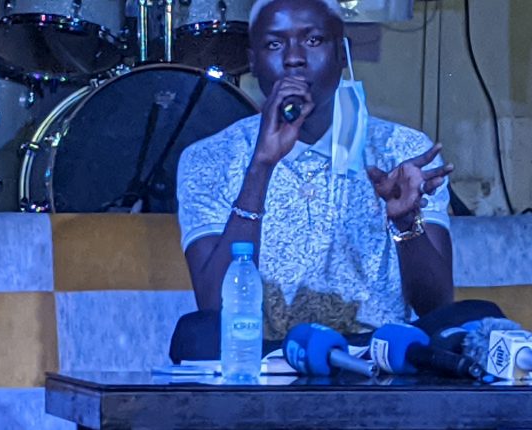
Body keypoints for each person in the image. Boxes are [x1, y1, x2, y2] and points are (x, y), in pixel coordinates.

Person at [170, 0, 454, 361]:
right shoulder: (210, 158)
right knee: (195, 334)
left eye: (313, 40)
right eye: (275, 44)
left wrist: (405, 222)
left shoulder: (402, 149)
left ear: (342, 53)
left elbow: (437, 307)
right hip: (262, 363)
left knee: (475, 317)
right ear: (253, 61)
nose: (294, 58)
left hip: (377, 359)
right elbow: (214, 306)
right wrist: (260, 166)